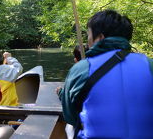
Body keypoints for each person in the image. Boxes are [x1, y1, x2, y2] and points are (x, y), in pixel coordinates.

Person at [58, 10, 153, 138]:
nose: (88, 42)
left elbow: (70, 116)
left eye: (89, 36)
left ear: (100, 38)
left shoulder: (81, 68)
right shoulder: (149, 65)